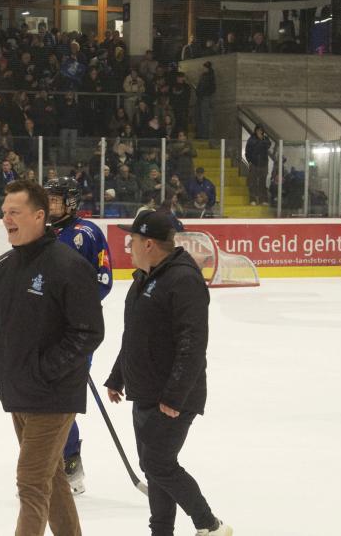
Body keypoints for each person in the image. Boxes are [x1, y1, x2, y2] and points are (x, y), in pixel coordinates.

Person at [0, 179, 104, 536]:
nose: (6, 219)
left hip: (52, 395)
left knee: (30, 482)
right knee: (50, 477)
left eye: (15, 212)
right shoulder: (4, 266)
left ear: (39, 216)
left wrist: (43, 372)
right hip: (18, 391)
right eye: (4, 212)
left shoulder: (69, 266)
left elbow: (88, 332)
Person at [104, 210, 233, 536]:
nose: (128, 245)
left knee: (158, 463)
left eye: (132, 239)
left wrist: (175, 395)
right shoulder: (145, 277)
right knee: (153, 468)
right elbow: (135, 334)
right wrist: (118, 375)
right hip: (145, 390)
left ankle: (210, 525)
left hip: (173, 395)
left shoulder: (183, 280)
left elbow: (193, 343)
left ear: (148, 243)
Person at [43, 177, 112, 496]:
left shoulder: (88, 233)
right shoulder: (43, 233)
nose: (50, 205)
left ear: (71, 202)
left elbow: (103, 280)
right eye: (48, 199)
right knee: (44, 396)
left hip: (78, 330)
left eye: (55, 200)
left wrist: (73, 312)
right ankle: (47, 462)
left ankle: (69, 462)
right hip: (46, 330)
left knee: (64, 396)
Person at [244, 127, 271, 206]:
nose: (259, 132)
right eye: (258, 130)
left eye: (261, 130)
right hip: (254, 164)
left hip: (264, 164)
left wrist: (262, 139)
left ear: (263, 131)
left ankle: (263, 199)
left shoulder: (265, 139)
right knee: (253, 182)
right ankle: (253, 199)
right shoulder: (251, 139)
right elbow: (247, 151)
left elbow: (268, 145)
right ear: (255, 131)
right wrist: (249, 161)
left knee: (262, 182)